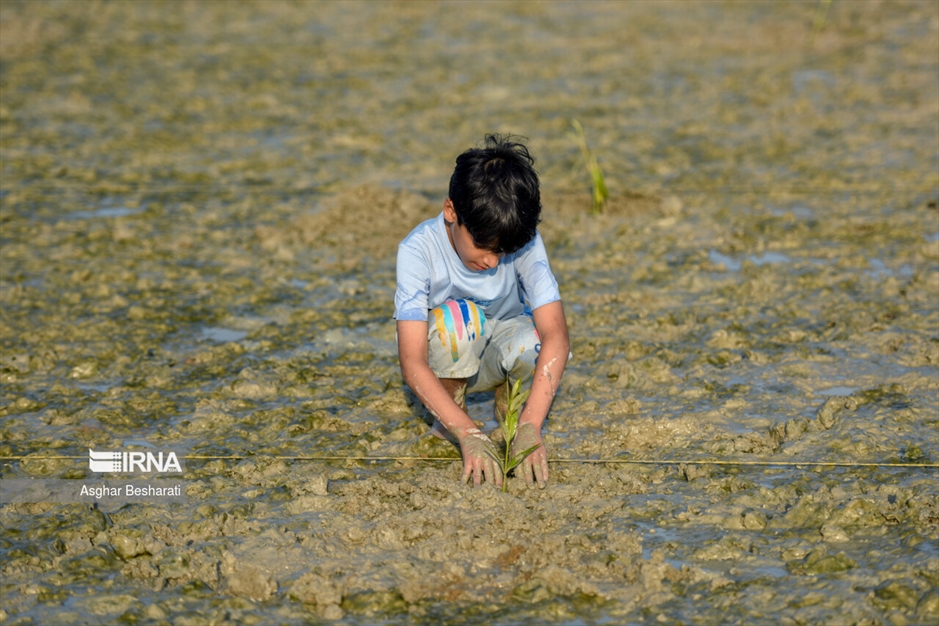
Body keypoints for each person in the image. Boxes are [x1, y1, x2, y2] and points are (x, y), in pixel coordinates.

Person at [394, 134, 569, 488]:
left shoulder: (524, 239)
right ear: (451, 211)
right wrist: (468, 433)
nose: (492, 261)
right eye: (484, 248)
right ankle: (451, 423)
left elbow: (557, 337)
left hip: (501, 352)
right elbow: (412, 361)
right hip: (447, 359)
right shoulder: (417, 250)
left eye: (503, 251)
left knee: (533, 341)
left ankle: (513, 418)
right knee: (456, 320)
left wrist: (532, 426)